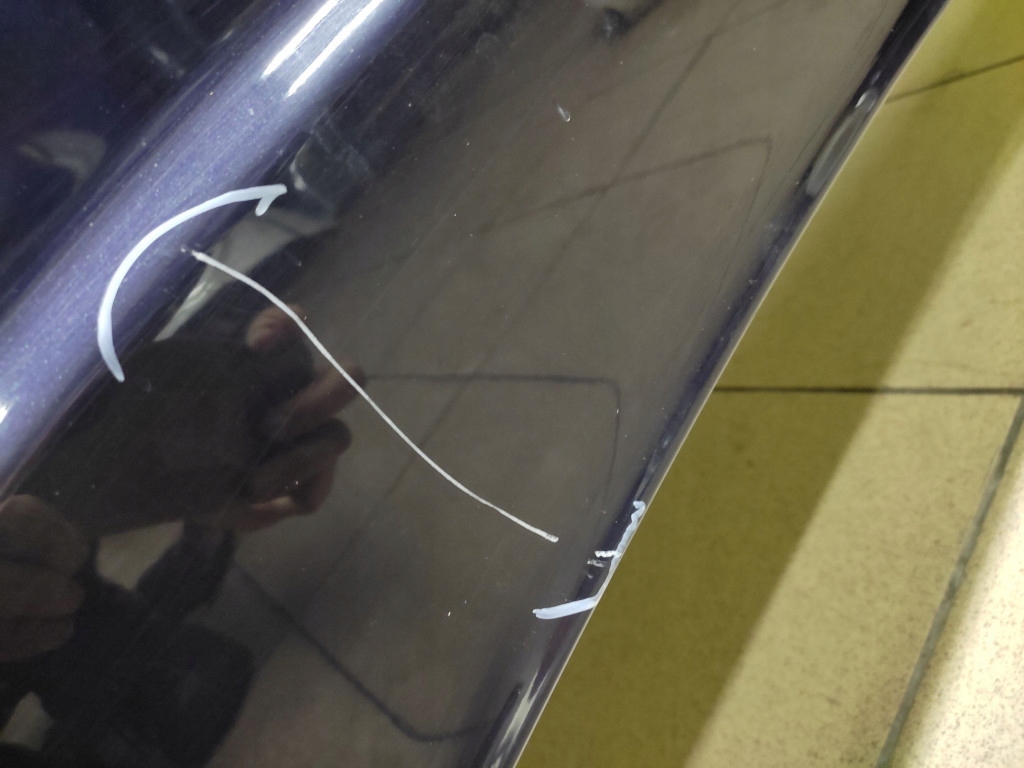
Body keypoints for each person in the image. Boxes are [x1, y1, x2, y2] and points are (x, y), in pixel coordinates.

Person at [0, 306, 363, 767]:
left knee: (167, 672)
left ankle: (132, 639)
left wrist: (230, 363)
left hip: (55, 585)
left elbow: (69, 308)